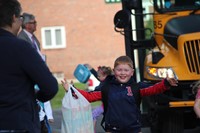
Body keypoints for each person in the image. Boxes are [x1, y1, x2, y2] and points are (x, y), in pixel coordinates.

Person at [62, 55, 178, 133]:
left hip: (134, 130)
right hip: (112, 130)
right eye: (119, 70)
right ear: (114, 71)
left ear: (132, 72)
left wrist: (166, 83)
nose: (122, 73)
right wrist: (71, 90)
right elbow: (88, 96)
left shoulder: (136, 88)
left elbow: (153, 89)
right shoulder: (106, 88)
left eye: (126, 70)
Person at [0, 0, 58, 133]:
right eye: (20, 17)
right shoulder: (20, 47)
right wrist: (38, 96)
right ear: (14, 18)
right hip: (18, 122)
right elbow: (50, 86)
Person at [18, 13, 55, 132]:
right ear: (27, 25)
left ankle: (45, 119)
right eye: (34, 22)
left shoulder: (33, 38)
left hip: (37, 75)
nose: (36, 25)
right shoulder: (21, 39)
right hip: (30, 78)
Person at [91, 66, 113, 130]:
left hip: (108, 105)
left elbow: (98, 89)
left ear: (105, 76)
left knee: (93, 115)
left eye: (99, 76)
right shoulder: (110, 80)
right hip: (107, 105)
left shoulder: (105, 84)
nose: (98, 77)